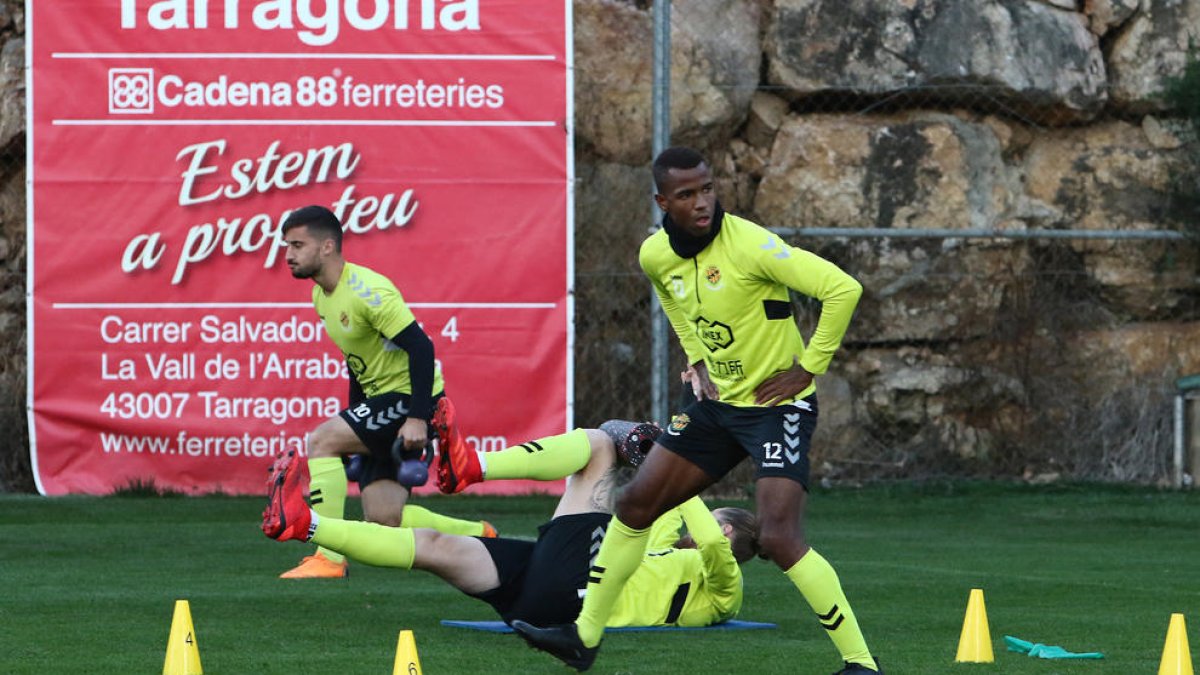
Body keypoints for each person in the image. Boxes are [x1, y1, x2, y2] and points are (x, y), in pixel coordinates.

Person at [513, 147, 882, 674]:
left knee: (777, 537)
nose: (702, 202)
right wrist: (696, 357)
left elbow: (842, 289)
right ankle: (583, 637)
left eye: (707, 188)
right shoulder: (655, 254)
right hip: (714, 405)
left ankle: (861, 663)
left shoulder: (751, 244)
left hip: (776, 406)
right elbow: (671, 297)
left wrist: (810, 367)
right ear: (663, 201)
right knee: (635, 504)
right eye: (686, 195)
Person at [262, 421, 761, 632]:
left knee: (599, 444)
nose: (704, 526)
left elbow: (710, 537)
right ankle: (305, 524)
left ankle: (472, 467)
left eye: (718, 522)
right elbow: (663, 508)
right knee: (439, 546)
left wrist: (685, 478)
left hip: (577, 597)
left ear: (732, 534)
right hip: (546, 593)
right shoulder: (666, 552)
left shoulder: (721, 588)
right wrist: (670, 458)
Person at [277, 205, 494, 579]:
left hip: (409, 400)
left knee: (321, 441)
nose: (288, 255)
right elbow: (357, 362)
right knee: (384, 521)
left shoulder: (368, 292)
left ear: (327, 247)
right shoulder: (321, 297)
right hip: (382, 402)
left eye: (297, 245)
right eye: (287, 246)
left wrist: (417, 418)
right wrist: (354, 419)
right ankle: (480, 535)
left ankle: (328, 557)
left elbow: (422, 348)